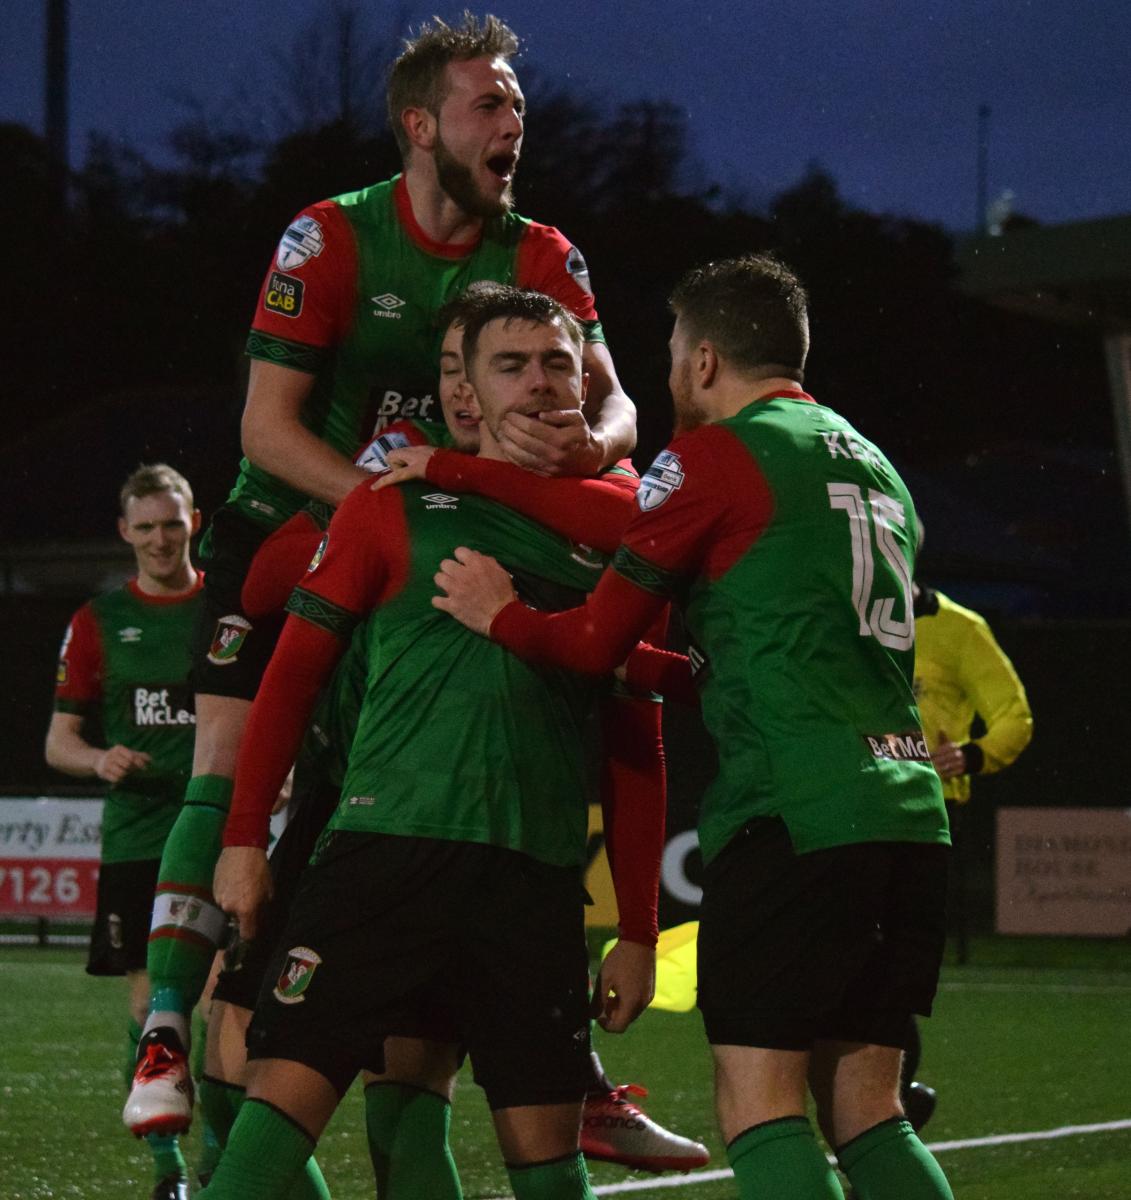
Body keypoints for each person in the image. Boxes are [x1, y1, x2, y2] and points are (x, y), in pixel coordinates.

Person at [125, 11, 637, 1138]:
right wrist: (383, 506)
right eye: (488, 103)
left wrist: (587, 453)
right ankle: (162, 1021)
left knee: (432, 772)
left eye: (518, 105)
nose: (514, 123)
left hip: (431, 530)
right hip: (298, 520)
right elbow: (265, 429)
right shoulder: (331, 237)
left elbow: (618, 407)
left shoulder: (542, 252)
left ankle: (549, 1053)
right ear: (420, 125)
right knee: (225, 756)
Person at [434, 255, 957, 1199]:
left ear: (704, 359)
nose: (669, 372)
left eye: (675, 353)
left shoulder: (713, 457)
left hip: (795, 812)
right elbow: (764, 653)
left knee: (760, 1107)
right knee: (868, 1112)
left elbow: (591, 642)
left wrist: (501, 612)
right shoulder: (874, 464)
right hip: (907, 813)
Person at [199, 293, 707, 1190]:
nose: (539, 382)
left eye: (556, 362)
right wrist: (243, 837)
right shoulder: (391, 502)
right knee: (270, 1136)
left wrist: (637, 928)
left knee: (546, 1169)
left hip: (533, 880)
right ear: (465, 391)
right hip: (384, 858)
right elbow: (291, 677)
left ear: (584, 383)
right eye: (510, 365)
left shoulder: (626, 532)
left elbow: (637, 744)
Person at [46, 465, 204, 1200]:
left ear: (194, 521)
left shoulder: (229, 611)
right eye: (145, 527)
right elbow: (59, 742)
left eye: (171, 524)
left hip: (219, 834)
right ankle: (169, 1173)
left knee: (223, 1012)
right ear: (124, 532)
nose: (160, 540)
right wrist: (99, 758)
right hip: (139, 839)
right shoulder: (99, 620)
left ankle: (225, 1161)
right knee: (151, 1010)